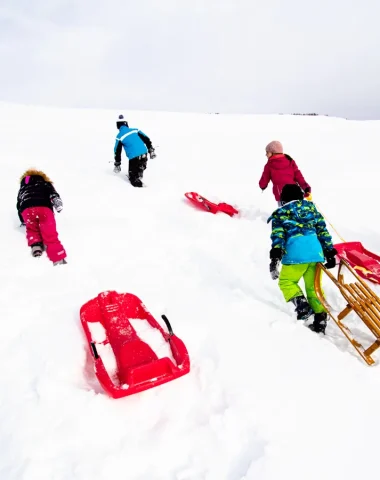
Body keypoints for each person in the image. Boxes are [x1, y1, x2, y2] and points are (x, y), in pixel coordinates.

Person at [267, 184, 337, 334]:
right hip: (316, 253)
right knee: (313, 287)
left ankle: (302, 306)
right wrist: (329, 251)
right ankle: (320, 319)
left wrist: (275, 257)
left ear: (283, 199)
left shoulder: (280, 213)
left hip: (295, 254)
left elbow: (278, 236)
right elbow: (322, 229)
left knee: (286, 281)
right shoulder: (311, 208)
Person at [16, 169, 67, 265]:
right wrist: (57, 204)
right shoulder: (44, 183)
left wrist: (23, 220)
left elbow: (19, 204)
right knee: (50, 233)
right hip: (43, 208)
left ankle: (36, 246)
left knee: (32, 229)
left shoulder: (23, 187)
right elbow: (53, 194)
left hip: (27, 209)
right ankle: (58, 257)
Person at [259, 141, 311, 206]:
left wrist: (262, 186)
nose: (266, 154)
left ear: (273, 152)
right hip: (295, 193)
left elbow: (264, 178)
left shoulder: (269, 165)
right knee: (298, 211)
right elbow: (298, 175)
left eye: (267, 152)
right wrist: (305, 187)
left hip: (282, 195)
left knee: (284, 213)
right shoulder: (290, 161)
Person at [113, 114, 156, 187]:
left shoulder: (119, 136)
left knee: (133, 178)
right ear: (126, 124)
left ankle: (142, 188)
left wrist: (117, 164)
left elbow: (117, 151)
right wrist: (150, 149)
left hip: (134, 157)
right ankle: (140, 170)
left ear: (118, 125)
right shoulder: (135, 130)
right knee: (140, 165)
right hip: (144, 153)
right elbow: (146, 139)